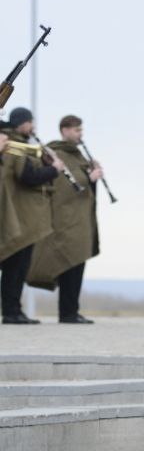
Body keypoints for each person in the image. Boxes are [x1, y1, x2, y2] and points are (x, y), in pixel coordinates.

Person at [26, 115, 104, 323]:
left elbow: (84, 188)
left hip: (81, 220)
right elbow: (63, 187)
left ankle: (71, 311)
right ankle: (67, 313)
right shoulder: (56, 154)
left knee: (78, 264)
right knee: (68, 265)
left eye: (81, 130)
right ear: (65, 130)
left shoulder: (77, 155)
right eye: (77, 130)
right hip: (65, 220)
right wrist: (89, 178)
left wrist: (92, 174)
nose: (80, 134)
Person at [0, 123, 59, 324]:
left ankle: (14, 310)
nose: (32, 125)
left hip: (21, 215)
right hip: (19, 215)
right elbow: (27, 176)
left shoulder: (15, 145)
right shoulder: (14, 146)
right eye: (29, 122)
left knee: (18, 267)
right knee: (14, 267)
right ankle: (10, 311)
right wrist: (53, 169)